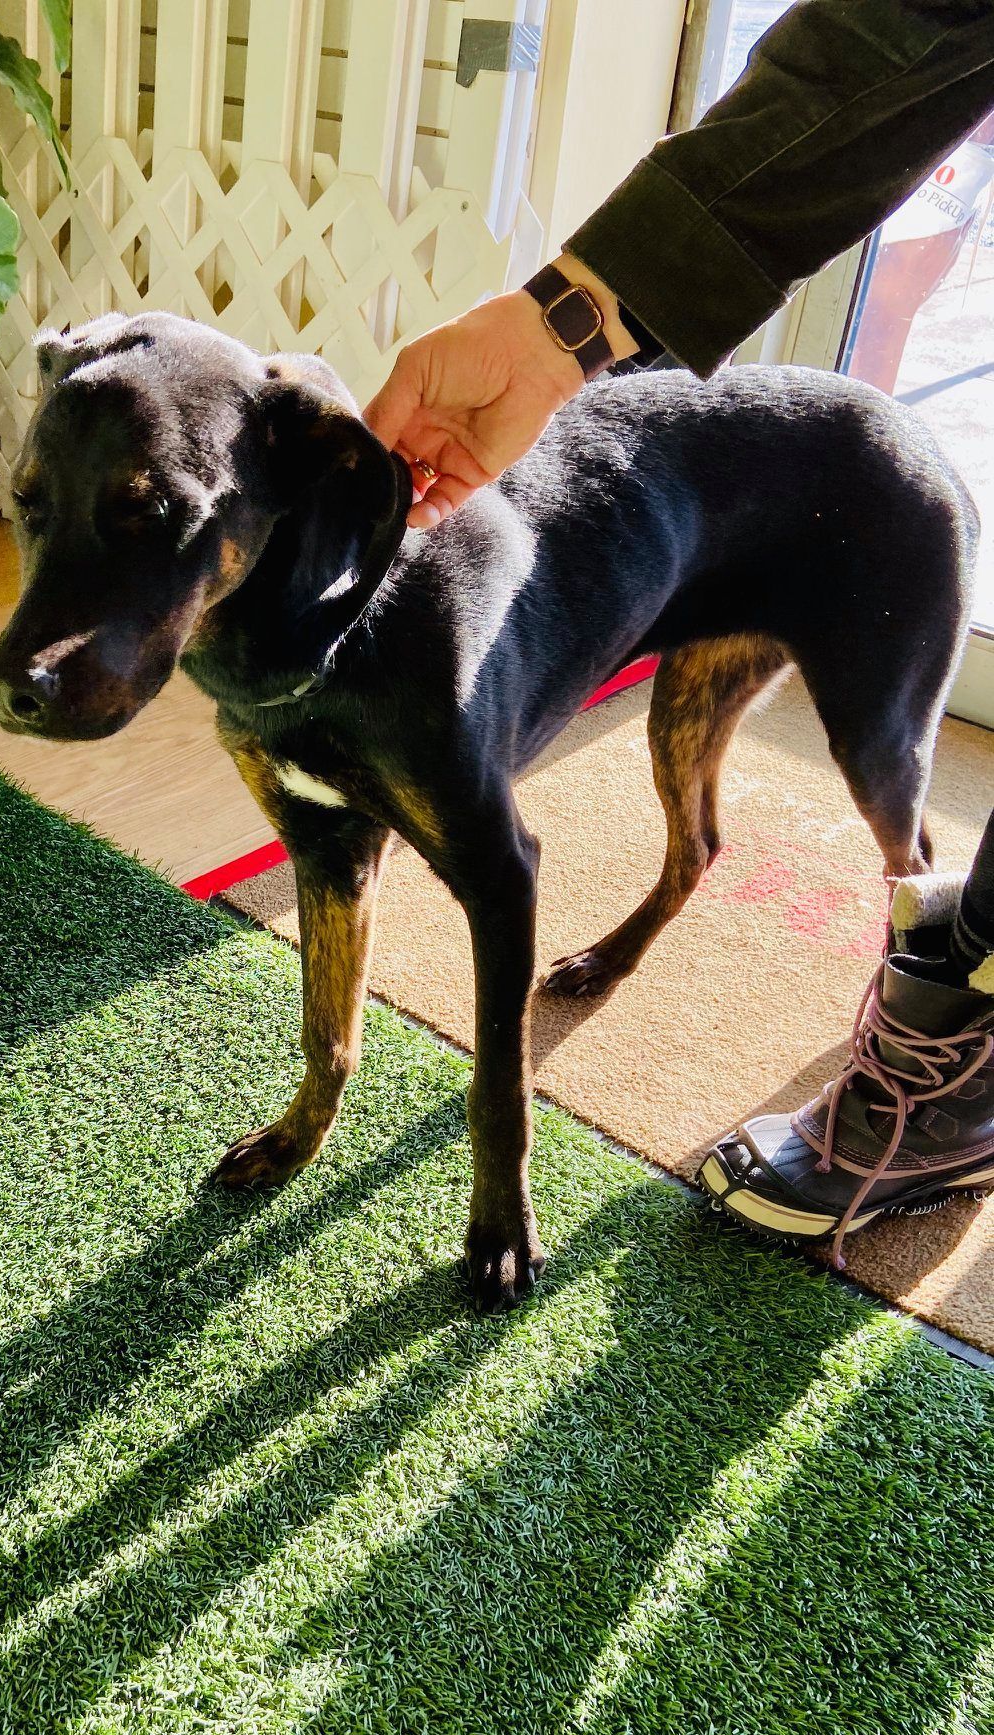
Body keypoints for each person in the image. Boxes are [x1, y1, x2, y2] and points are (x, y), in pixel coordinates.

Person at [364, 0, 994, 1258]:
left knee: (885, 784)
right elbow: (891, 45)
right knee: (683, 742)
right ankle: (690, 889)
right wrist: (563, 321)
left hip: (862, 511)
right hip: (739, 506)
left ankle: (945, 1005)